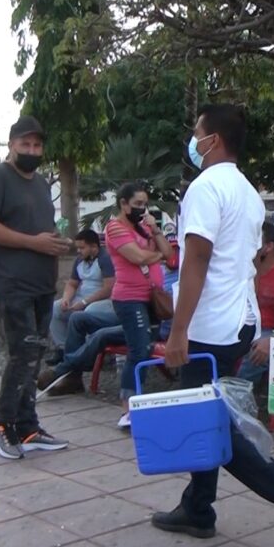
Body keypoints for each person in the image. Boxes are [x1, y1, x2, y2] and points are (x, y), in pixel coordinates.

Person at [152, 104, 274, 547]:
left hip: (209, 323)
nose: (193, 141)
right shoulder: (246, 191)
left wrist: (178, 330)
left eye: (197, 133)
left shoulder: (206, 188)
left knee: (205, 424)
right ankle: (198, 508)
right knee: (209, 412)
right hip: (239, 320)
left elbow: (197, 259)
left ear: (213, 140)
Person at [0, 115, 70, 460]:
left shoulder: (41, 184)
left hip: (42, 284)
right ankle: (3, 424)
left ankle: (28, 427)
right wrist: (33, 243)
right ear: (11, 144)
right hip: (11, 284)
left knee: (35, 355)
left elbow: (38, 229)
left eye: (37, 145)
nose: (31, 150)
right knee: (22, 354)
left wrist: (55, 243)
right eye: (25, 144)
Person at [105, 182, 174, 429]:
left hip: (151, 297)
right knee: (139, 350)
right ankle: (128, 408)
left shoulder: (144, 227)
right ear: (123, 204)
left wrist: (155, 230)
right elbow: (137, 257)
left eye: (145, 204)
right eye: (137, 204)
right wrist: (158, 256)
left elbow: (170, 254)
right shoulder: (115, 228)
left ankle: (138, 401)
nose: (142, 209)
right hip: (129, 298)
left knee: (145, 348)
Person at [236, 222, 274, 385]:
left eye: (255, 240)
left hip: (270, 330)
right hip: (244, 324)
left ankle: (237, 392)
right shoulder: (244, 270)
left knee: (255, 350)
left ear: (269, 247)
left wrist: (271, 340)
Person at [45, 229, 117, 363]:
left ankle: (89, 353)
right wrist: (66, 299)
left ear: (93, 246)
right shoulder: (80, 260)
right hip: (82, 297)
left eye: (82, 248)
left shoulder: (105, 259)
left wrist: (84, 302)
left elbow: (108, 288)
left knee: (89, 312)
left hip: (104, 300)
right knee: (55, 309)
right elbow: (72, 284)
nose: (78, 251)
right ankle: (63, 349)